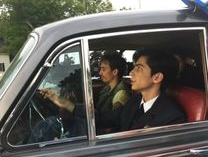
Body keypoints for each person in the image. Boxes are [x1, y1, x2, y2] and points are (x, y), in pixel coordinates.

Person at [42, 49, 186, 133]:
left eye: (139, 68)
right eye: (134, 67)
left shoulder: (172, 117)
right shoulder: (135, 101)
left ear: (157, 77)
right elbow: (104, 118)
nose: (132, 72)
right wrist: (66, 104)